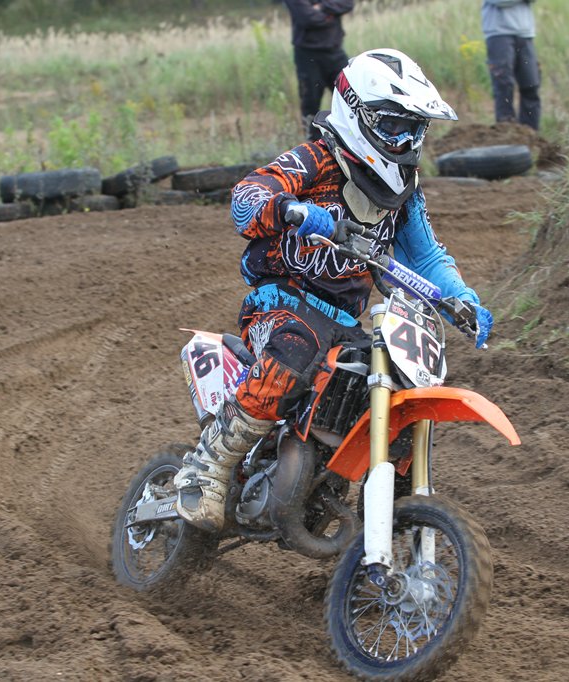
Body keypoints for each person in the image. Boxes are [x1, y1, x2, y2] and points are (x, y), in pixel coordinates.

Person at [174, 48, 495, 531]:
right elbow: (247, 195)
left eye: (415, 129)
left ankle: (386, 521)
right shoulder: (317, 160)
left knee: (398, 382)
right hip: (281, 302)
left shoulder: (404, 191)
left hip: (344, 321)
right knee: (296, 347)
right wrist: (290, 209)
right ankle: (209, 464)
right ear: (356, 112)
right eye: (393, 126)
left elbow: (427, 257)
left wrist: (463, 299)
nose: (405, 141)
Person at [282, 0, 355, 141]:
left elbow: (347, 3)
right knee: (310, 104)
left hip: (334, 52)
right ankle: (313, 146)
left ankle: (353, 141)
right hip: (308, 55)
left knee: (351, 97)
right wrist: (332, 13)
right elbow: (308, 18)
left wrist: (321, 7)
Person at [482, 0, 542, 131]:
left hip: (525, 34)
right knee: (504, 85)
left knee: (531, 86)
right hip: (498, 34)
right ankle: (506, 134)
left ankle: (530, 135)